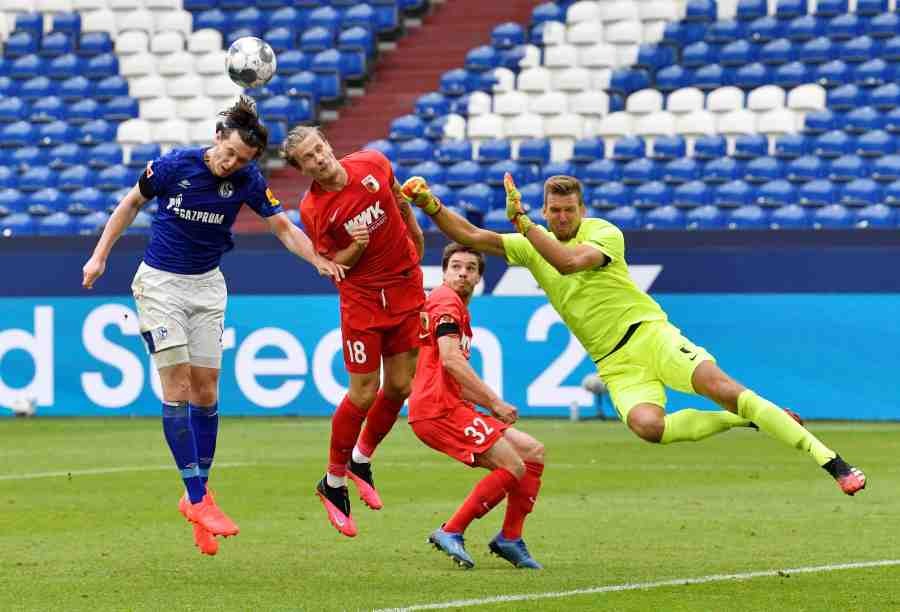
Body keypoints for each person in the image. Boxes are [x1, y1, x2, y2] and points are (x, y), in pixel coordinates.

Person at [401, 173, 867, 497]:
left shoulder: (603, 233)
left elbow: (568, 262)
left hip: (650, 335)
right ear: (546, 209)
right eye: (554, 211)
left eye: (568, 210)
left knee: (723, 388)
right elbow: (468, 233)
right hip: (615, 363)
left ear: (581, 209)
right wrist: (429, 204)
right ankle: (750, 419)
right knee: (649, 428)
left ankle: (833, 462)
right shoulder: (529, 244)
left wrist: (524, 223)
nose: (562, 217)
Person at [81, 97, 345, 556]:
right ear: (218, 137)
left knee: (207, 391)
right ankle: (200, 498)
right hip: (160, 284)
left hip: (207, 287)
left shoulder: (247, 180)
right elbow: (129, 205)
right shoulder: (170, 167)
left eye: (242, 160)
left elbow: (283, 228)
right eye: (229, 153)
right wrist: (100, 255)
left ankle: (195, 494)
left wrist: (318, 260)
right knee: (178, 386)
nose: (231, 164)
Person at [280, 126, 426, 537]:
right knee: (363, 392)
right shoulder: (314, 209)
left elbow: (396, 198)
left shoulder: (373, 162)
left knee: (400, 387)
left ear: (329, 144)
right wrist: (356, 247)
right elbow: (333, 267)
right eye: (308, 158)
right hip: (362, 300)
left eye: (320, 148)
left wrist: (414, 234)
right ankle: (333, 482)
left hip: (404, 286)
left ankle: (362, 459)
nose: (319, 158)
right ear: (301, 168)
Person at [409, 243, 545, 570]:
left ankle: (510, 538)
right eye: (455, 266)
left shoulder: (458, 308)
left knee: (532, 451)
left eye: (470, 268)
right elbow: (451, 360)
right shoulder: (445, 300)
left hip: (452, 405)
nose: (462, 273)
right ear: (444, 272)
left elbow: (445, 366)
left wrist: (477, 402)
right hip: (438, 410)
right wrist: (494, 402)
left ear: (479, 277)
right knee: (513, 466)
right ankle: (451, 530)